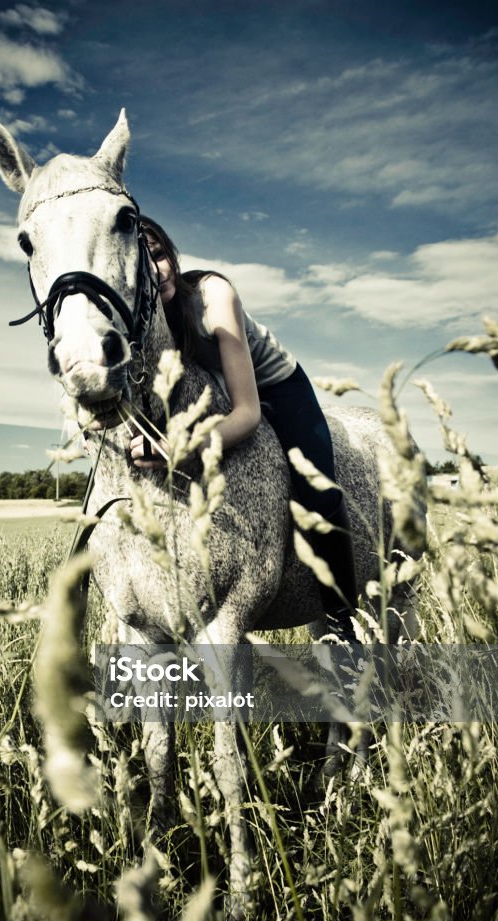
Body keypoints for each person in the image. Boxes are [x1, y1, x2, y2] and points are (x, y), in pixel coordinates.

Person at [130, 215, 359, 642]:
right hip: (209, 399)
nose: (155, 269)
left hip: (273, 390)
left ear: (172, 255)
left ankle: (340, 620)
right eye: (141, 262)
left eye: (158, 254)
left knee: (318, 493)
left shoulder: (212, 294)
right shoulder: (142, 317)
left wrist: (179, 447)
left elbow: (247, 414)